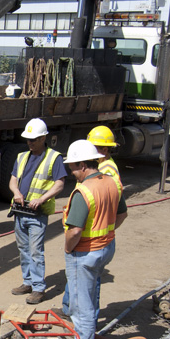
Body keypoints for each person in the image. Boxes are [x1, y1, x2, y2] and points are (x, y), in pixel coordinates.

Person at [62, 140, 128, 339]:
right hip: (106, 247)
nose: (72, 172)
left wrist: (68, 248)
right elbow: (122, 215)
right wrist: (106, 234)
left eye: (72, 167)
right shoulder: (112, 183)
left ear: (82, 165)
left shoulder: (84, 191)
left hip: (85, 253)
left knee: (82, 309)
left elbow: (75, 230)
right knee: (91, 297)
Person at [61, 125, 122, 317]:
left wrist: (104, 230)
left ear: (103, 149)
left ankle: (83, 335)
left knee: (87, 295)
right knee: (82, 286)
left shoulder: (106, 172)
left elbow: (117, 208)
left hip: (89, 244)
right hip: (94, 241)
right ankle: (70, 310)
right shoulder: (100, 169)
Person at [9, 118, 67, 304]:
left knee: (35, 251)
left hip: (37, 214)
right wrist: (16, 192)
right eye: (28, 139)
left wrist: (41, 199)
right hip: (20, 211)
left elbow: (60, 184)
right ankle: (28, 282)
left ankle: (39, 288)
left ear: (43, 138)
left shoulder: (54, 157)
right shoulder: (22, 157)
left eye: (33, 139)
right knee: (23, 249)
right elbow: (13, 180)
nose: (30, 143)